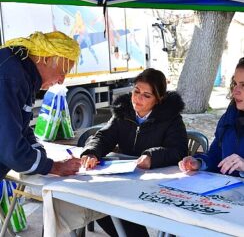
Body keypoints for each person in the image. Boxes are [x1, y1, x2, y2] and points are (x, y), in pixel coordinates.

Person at [80, 68, 188, 237]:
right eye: (136, 91)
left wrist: (152, 156)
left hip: (155, 183)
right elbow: (104, 136)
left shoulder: (171, 118)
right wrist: (92, 152)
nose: (138, 98)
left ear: (158, 99)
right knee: (97, 202)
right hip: (126, 178)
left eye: (147, 95)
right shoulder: (123, 112)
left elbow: (179, 151)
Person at [0, 31, 83, 181]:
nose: (61, 81)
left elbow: (21, 129)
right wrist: (54, 167)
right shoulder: (11, 77)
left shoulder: (21, 71)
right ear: (46, 58)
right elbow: (11, 149)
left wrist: (40, 153)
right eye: (62, 71)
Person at [179, 57, 244, 177]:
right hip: (227, 192)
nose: (235, 91)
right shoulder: (229, 118)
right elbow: (216, 155)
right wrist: (199, 162)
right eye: (235, 84)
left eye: (243, 85)